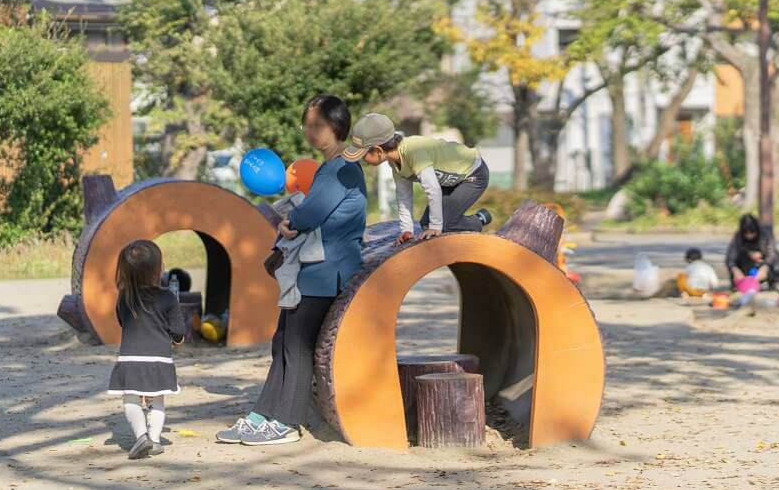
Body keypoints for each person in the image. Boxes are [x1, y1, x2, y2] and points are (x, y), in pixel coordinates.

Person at [215, 95, 366, 446]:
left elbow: (313, 212)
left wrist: (290, 221)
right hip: (313, 268)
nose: (310, 132)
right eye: (307, 125)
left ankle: (286, 422)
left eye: (317, 125)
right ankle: (262, 414)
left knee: (296, 343)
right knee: (282, 339)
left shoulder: (341, 167)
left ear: (337, 125)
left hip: (327, 270)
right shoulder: (332, 165)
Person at [342, 112, 492, 244]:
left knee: (441, 225)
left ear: (378, 151)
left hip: (473, 173)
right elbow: (404, 197)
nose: (361, 159)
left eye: (363, 154)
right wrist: (406, 230)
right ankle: (456, 221)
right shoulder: (395, 164)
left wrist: (436, 226)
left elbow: (432, 189)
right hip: (448, 182)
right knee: (426, 224)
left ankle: (478, 220)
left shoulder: (413, 151)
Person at [107, 239, 185, 460]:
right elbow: (178, 331)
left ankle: (141, 436)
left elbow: (122, 322)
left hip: (130, 359)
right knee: (157, 401)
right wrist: (177, 340)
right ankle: (155, 439)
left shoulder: (124, 296)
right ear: (156, 269)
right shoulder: (168, 297)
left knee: (131, 400)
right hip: (159, 359)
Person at [725, 214, 779, 297]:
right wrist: (734, 269)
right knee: (736, 266)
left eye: (752, 233)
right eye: (746, 233)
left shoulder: (765, 234)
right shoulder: (738, 236)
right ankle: (741, 284)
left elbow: (771, 254)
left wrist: (765, 267)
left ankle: (772, 282)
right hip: (746, 268)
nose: (749, 236)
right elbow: (731, 256)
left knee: (777, 264)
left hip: (764, 266)